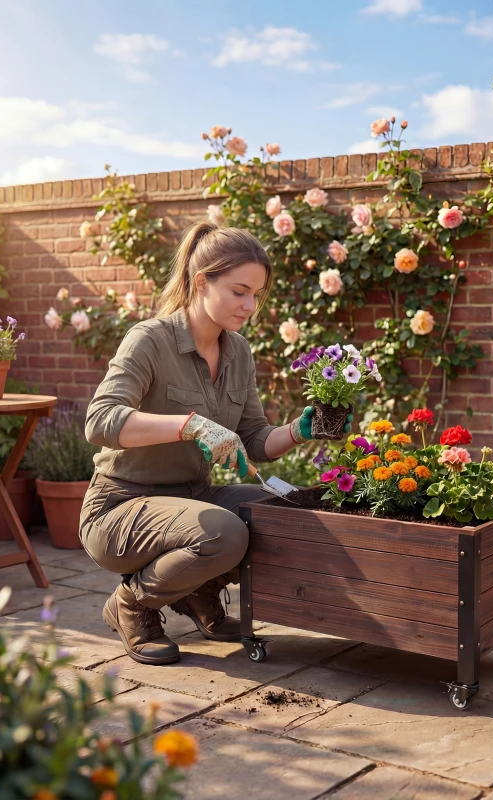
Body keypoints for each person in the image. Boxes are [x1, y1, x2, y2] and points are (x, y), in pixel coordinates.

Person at [80, 223, 351, 665]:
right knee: (225, 533)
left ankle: (199, 590)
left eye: (256, 295)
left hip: (191, 497)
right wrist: (189, 425)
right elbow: (100, 420)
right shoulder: (150, 339)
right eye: (239, 291)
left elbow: (255, 439)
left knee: (285, 511)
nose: (249, 306)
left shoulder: (238, 352)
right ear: (202, 280)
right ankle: (132, 603)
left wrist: (302, 430)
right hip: (120, 506)